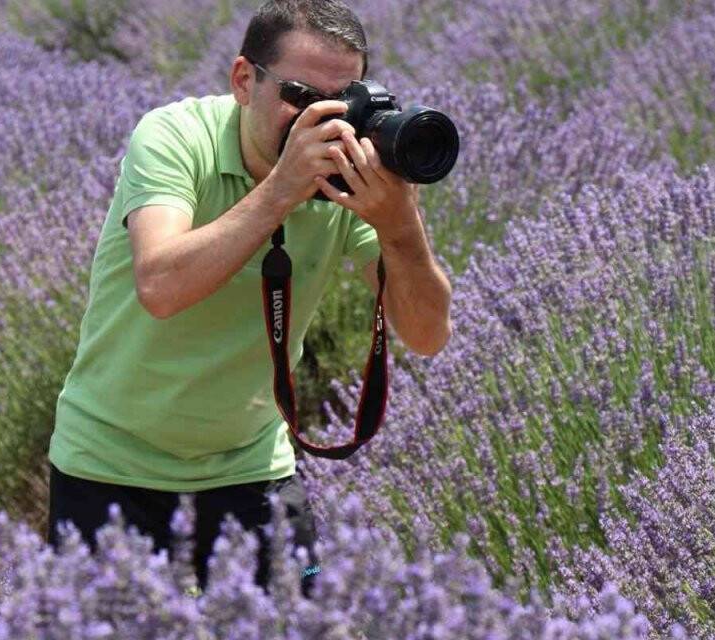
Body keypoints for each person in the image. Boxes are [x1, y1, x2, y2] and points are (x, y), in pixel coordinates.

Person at [44, 0, 453, 598]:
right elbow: (160, 286)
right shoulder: (175, 137)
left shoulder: (348, 175)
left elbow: (427, 335)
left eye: (342, 102)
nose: (324, 123)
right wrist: (282, 191)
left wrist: (399, 226)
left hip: (250, 467)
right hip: (110, 467)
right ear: (243, 80)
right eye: (300, 97)